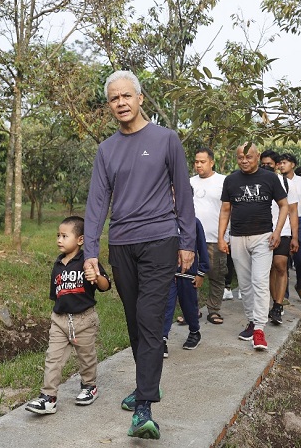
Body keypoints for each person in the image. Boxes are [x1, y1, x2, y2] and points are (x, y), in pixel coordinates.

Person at [83, 70, 195, 440]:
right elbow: (97, 203)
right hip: (122, 245)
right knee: (134, 321)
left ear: (140, 98)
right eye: (114, 98)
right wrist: (90, 252)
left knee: (149, 319)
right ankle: (147, 384)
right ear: (110, 105)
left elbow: (184, 192)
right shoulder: (106, 149)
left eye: (126, 96)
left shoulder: (166, 139)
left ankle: (144, 407)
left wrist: (187, 242)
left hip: (161, 240)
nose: (121, 103)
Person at [24, 216, 111, 415]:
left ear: (80, 240)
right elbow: (56, 296)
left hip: (84, 320)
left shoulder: (88, 261)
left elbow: (106, 285)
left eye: (64, 236)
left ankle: (89, 386)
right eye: (58, 235)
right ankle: (48, 398)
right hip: (60, 320)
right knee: (52, 358)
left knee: (86, 357)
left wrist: (96, 277)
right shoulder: (57, 264)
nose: (59, 240)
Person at [218, 143, 293, 351]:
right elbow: (225, 210)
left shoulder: (270, 178)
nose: (244, 160)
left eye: (248, 157)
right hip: (237, 237)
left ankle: (259, 329)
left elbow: (284, 205)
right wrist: (221, 238)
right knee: (244, 284)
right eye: (240, 157)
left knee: (259, 281)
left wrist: (277, 232)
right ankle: (252, 320)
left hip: (263, 236)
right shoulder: (231, 180)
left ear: (257, 157)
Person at [190, 147, 228, 324]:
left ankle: (213, 309)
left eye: (202, 162)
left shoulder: (223, 181)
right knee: (191, 276)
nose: (198, 165)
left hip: (215, 237)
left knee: (217, 275)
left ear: (211, 162)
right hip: (191, 238)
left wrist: (224, 237)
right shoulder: (189, 182)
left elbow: (229, 210)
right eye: (196, 161)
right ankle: (193, 310)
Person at [162, 218, 210, 357]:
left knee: (189, 306)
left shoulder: (193, 222)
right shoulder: (162, 221)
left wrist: (201, 272)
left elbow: (202, 247)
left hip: (188, 274)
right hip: (167, 274)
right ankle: (162, 339)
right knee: (166, 306)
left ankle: (195, 332)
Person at [278, 153, 301, 303]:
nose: (281, 165)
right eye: (279, 163)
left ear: (292, 164)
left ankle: (300, 285)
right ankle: (283, 295)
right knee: (282, 260)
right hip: (281, 221)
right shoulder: (276, 180)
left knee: (300, 259)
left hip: (299, 221)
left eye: (284, 162)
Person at [269, 154, 299, 325]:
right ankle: (274, 302)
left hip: (285, 231)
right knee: (270, 269)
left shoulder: (288, 183)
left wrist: (295, 236)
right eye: (263, 163)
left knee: (280, 265)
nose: (267, 166)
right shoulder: (258, 180)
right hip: (264, 232)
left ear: (276, 165)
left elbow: (293, 210)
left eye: (270, 164)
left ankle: (278, 305)